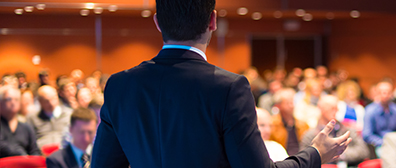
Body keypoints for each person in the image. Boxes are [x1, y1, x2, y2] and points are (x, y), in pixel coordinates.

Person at [91, 0, 351, 167]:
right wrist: (315, 153)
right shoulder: (228, 88)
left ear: (158, 22)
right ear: (213, 20)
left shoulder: (119, 85)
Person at [301, 95, 369, 166]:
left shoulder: (347, 130)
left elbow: (363, 151)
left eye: (337, 108)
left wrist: (340, 154)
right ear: (321, 108)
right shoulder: (310, 135)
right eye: (332, 108)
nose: (336, 111)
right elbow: (305, 159)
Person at [0, 86, 41, 158]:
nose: (13, 102)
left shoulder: (26, 127)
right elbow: (2, 146)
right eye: (9, 99)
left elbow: (34, 150)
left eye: (16, 99)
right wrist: (22, 155)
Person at [270, 88, 311, 156]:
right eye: (287, 103)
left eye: (292, 102)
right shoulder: (272, 124)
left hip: (300, 159)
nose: (291, 106)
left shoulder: (303, 124)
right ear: (279, 106)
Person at [363, 81, 396, 148]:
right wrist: (383, 143)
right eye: (382, 92)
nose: (385, 95)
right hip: (379, 145)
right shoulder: (370, 110)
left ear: (392, 94)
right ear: (377, 94)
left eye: (388, 92)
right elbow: (367, 135)